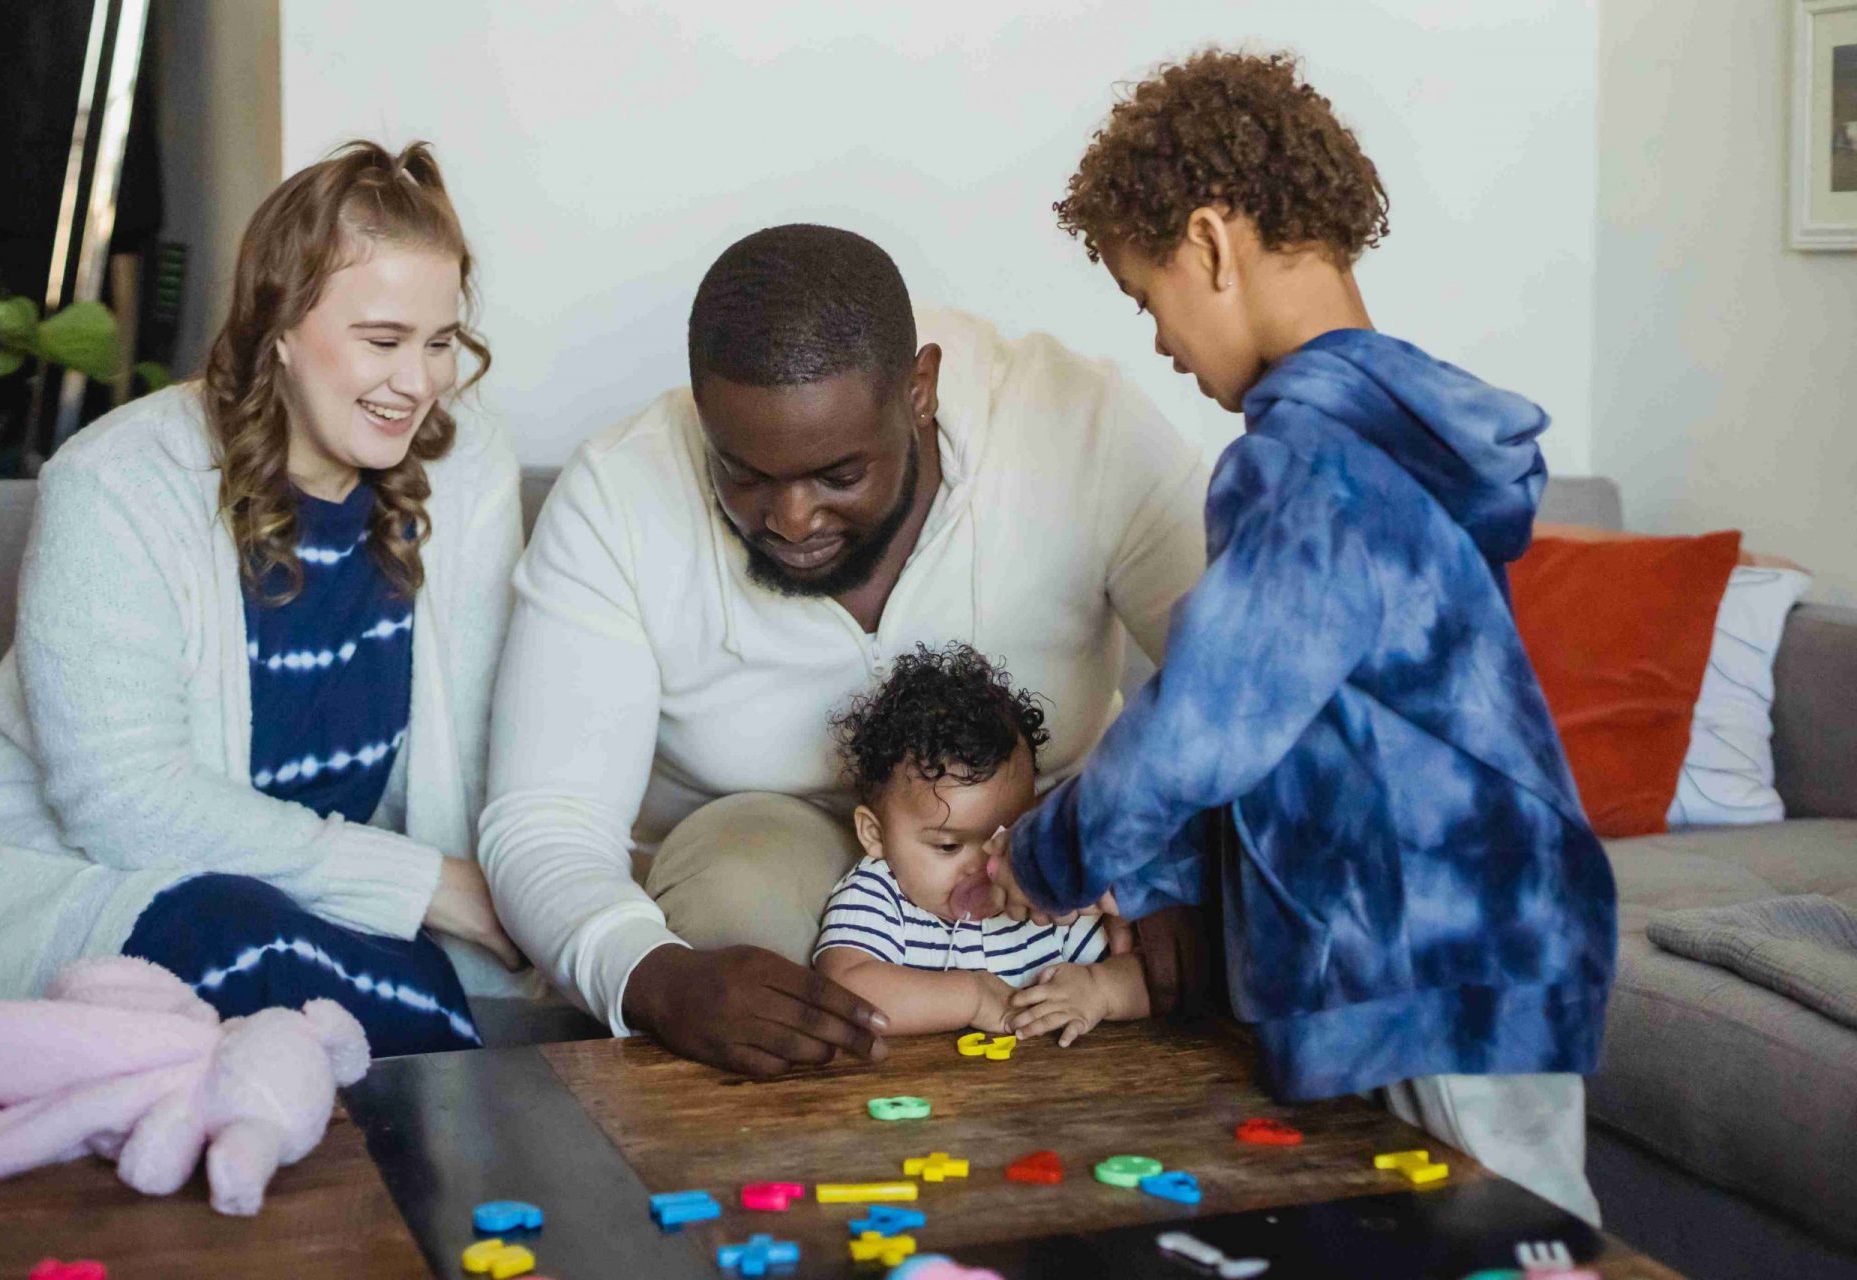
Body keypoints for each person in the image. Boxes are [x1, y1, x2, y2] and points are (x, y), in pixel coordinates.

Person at [984, 50, 1616, 1223]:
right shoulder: (1387, 440)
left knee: (1516, 1234)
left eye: (1147, 298)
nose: (1162, 345)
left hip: (1441, 945)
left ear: (1213, 246)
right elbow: (1291, 721)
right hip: (1462, 928)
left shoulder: (1307, 466)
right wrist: (1158, 872)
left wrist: (1049, 853)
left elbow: (1208, 719)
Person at [480, 224, 1208, 1078]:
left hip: (1036, 835)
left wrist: (1181, 870)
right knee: (732, 900)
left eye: (837, 475)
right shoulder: (618, 494)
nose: (790, 520)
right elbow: (543, 822)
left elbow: (1249, 683)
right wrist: (657, 977)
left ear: (919, 392)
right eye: (743, 473)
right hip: (764, 853)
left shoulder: (1075, 428)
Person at [0, 141, 530, 1056]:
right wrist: (422, 885)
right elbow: (124, 803)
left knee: (314, 963)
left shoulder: (469, 464)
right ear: (279, 328)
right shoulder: (117, 482)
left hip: (333, 897)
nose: (417, 384)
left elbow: (490, 735)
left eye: (440, 343)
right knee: (245, 944)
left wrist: (527, 892)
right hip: (92, 875)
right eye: (382, 341)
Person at [814, 643, 1147, 1044]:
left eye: (1004, 836)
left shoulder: (1042, 887)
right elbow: (844, 989)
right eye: (948, 847)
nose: (985, 865)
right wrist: (970, 997)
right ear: (875, 834)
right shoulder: (878, 894)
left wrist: (1100, 988)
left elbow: (1155, 974)